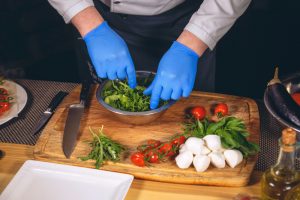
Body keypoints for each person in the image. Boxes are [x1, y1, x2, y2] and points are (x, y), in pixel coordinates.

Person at [48, 0, 251, 109]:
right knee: (98, 104)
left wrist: (190, 47)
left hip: (183, 22)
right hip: (95, 14)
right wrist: (90, 26)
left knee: (187, 110)